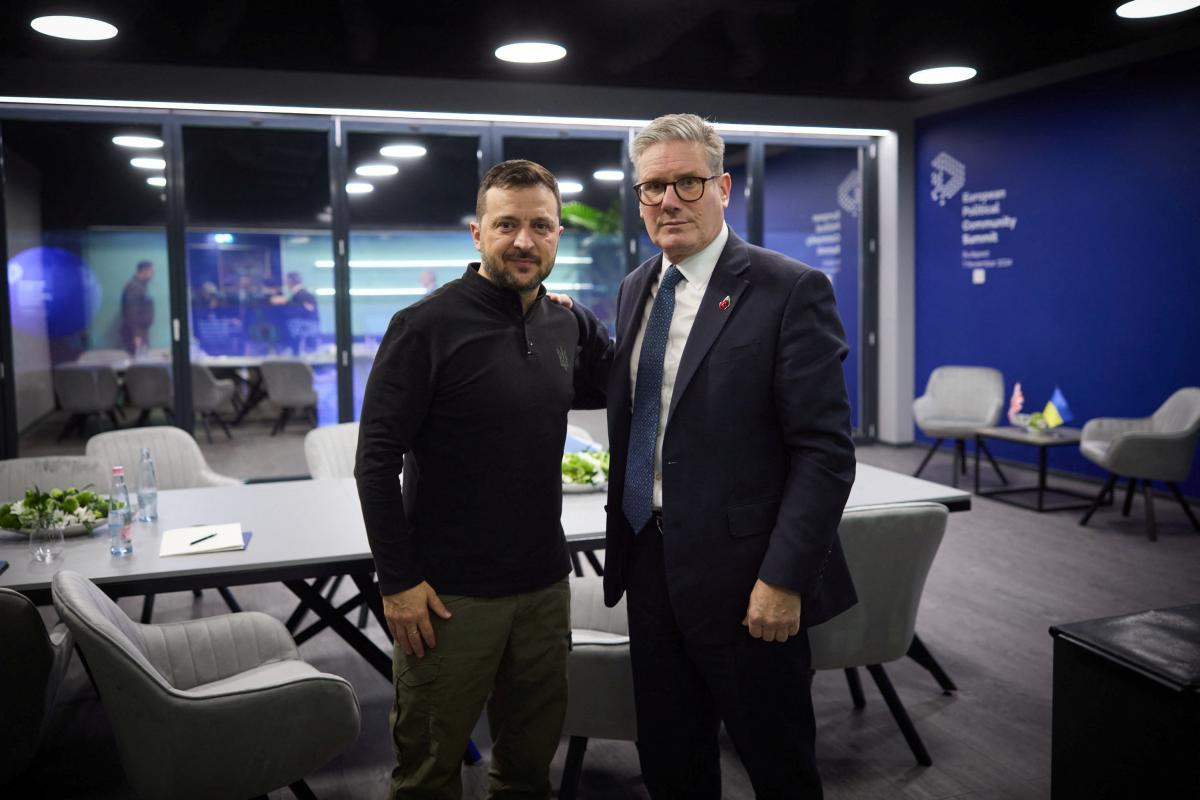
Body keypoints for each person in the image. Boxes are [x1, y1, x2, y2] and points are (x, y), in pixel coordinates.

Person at [603, 113, 857, 798]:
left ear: (723, 187)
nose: (668, 200)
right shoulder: (635, 289)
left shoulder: (788, 289)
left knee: (777, 764)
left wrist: (785, 580)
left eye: (687, 182)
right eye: (652, 186)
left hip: (749, 579)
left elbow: (824, 452)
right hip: (649, 562)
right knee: (672, 760)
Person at [355, 159, 610, 800]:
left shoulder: (566, 322)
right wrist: (399, 582)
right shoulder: (424, 327)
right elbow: (375, 462)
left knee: (528, 764)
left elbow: (618, 379)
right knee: (429, 770)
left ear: (557, 236)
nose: (524, 240)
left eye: (541, 226)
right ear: (478, 233)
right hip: (447, 596)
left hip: (543, 583)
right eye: (507, 225)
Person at [120, 260, 155, 354]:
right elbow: (131, 312)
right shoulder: (133, 287)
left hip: (141, 331)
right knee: (139, 364)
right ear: (144, 271)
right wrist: (135, 335)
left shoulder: (141, 286)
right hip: (137, 332)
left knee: (143, 361)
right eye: (151, 271)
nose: (153, 275)